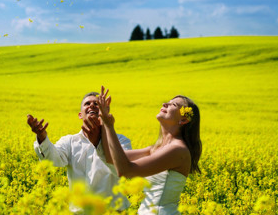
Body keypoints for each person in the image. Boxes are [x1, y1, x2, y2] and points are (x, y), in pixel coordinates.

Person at [98, 86, 202, 215]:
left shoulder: (178, 149)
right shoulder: (156, 148)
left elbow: (125, 170)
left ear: (183, 119)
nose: (165, 104)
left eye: (173, 104)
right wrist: (103, 121)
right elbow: (110, 158)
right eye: (167, 102)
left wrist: (109, 126)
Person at [27, 91, 132, 212]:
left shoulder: (121, 141)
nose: (92, 105)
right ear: (80, 115)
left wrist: (99, 143)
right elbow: (53, 160)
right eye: (87, 103)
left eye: (97, 104)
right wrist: (42, 138)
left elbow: (123, 170)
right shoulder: (70, 142)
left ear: (105, 111)